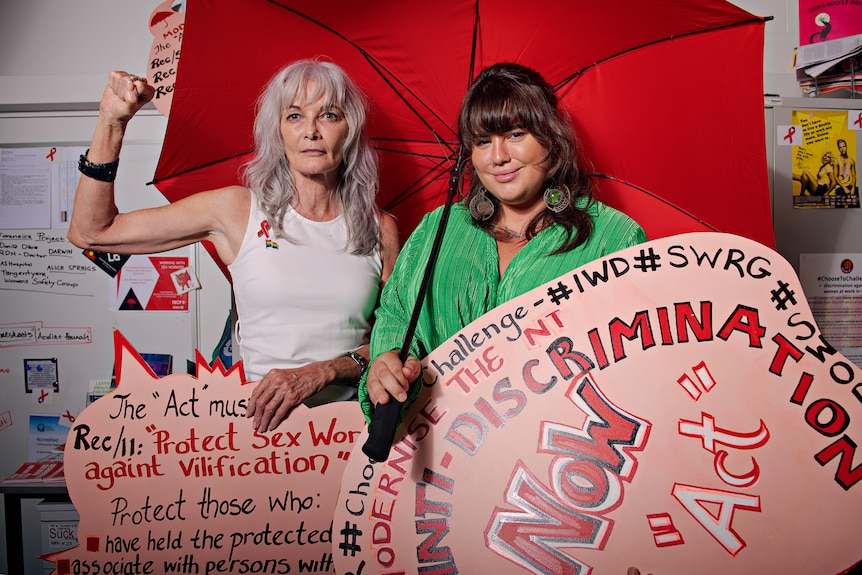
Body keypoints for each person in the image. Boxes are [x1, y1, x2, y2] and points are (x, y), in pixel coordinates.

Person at [67, 60, 400, 432]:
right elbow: (93, 231)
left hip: (351, 432)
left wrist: (325, 370)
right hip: (256, 438)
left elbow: (395, 340)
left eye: (329, 115)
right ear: (277, 131)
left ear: (350, 129)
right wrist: (111, 123)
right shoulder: (237, 210)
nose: (311, 131)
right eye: (294, 116)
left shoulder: (380, 229)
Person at [359, 62, 646, 420]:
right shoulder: (439, 228)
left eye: (515, 134)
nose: (498, 157)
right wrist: (387, 359)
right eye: (482, 142)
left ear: (551, 139)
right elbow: (397, 314)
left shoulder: (613, 237)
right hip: (439, 447)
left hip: (557, 448)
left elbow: (634, 362)